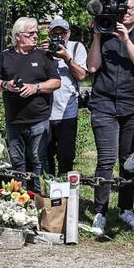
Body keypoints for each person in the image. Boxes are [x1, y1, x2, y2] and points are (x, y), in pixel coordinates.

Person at [86, 0, 134, 235]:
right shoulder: (104, 34)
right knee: (105, 159)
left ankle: (126, 209)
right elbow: (92, 67)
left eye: (131, 8)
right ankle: (100, 211)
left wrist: (127, 41)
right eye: (122, 7)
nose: (126, 11)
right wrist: (96, 35)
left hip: (132, 106)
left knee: (128, 160)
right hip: (104, 104)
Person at [0, 17, 61, 190]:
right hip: (14, 120)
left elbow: (56, 82)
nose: (36, 36)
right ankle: (21, 199)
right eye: (31, 33)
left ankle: (40, 198)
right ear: (18, 36)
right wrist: (7, 85)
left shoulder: (43, 55)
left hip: (38, 119)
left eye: (36, 32)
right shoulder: (5, 56)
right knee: (17, 162)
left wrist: (35, 87)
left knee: (39, 160)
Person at [43, 17, 86, 175]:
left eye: (63, 33)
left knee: (66, 156)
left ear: (68, 34)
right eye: (56, 33)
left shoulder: (76, 48)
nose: (59, 37)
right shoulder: (43, 50)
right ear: (50, 33)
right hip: (45, 112)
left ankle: (64, 193)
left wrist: (66, 58)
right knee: (45, 156)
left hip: (67, 112)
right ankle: (47, 192)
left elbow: (82, 75)